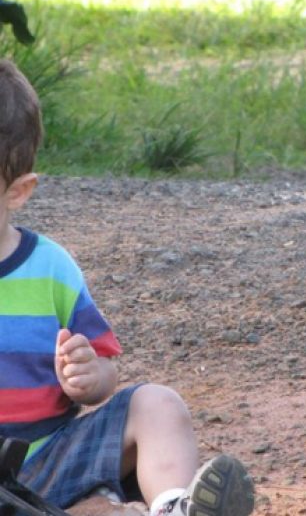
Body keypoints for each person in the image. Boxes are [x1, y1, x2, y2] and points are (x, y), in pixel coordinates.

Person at [0, 59, 255, 516]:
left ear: (17, 192)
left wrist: (87, 376)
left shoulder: (50, 268)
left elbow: (103, 372)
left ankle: (174, 505)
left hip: (51, 460)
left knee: (157, 404)